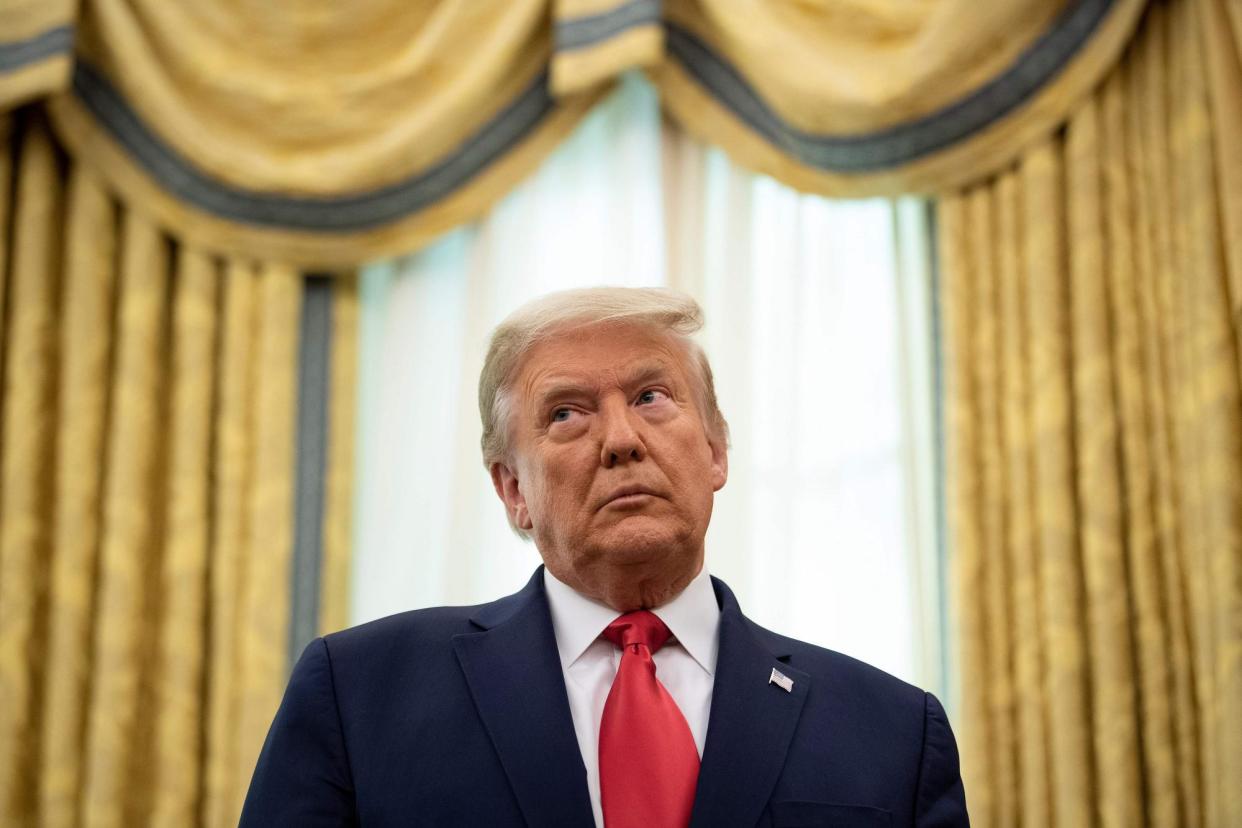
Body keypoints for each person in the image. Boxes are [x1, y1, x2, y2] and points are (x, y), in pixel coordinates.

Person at [240, 287, 969, 827]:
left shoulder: (894, 732)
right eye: (566, 413)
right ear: (513, 488)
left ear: (715, 450)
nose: (620, 439)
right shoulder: (360, 695)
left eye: (652, 396)